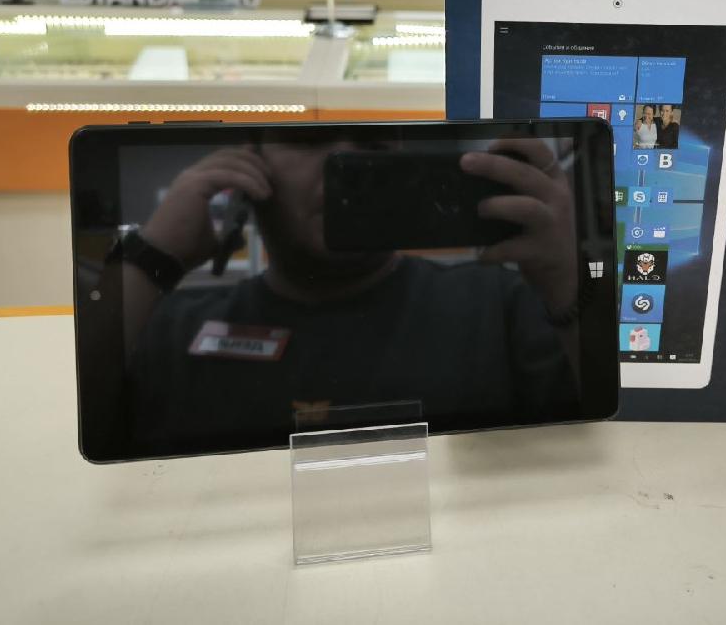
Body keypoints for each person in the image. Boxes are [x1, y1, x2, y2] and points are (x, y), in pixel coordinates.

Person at [104, 137, 581, 453]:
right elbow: (84, 432)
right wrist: (151, 258)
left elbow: (593, 434)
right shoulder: (172, 324)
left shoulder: (498, 303)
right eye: (307, 141)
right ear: (248, 171)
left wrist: (566, 277)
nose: (347, 163)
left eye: (373, 147)